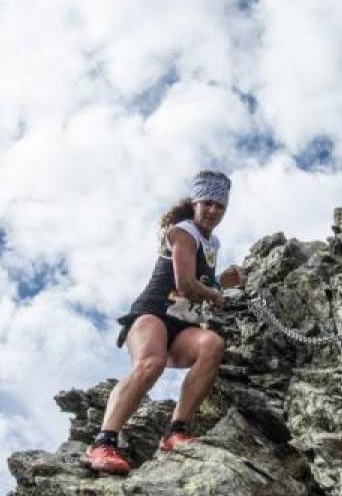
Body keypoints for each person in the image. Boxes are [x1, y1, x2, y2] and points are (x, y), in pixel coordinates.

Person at [84, 170, 239, 476]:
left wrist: (222, 283)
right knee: (150, 363)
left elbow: (200, 284)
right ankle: (102, 443)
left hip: (182, 325)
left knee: (212, 345)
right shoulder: (183, 231)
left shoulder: (212, 243)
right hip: (152, 313)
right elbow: (184, 284)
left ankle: (176, 432)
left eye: (220, 206)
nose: (213, 211)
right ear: (195, 203)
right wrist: (218, 295)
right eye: (207, 203)